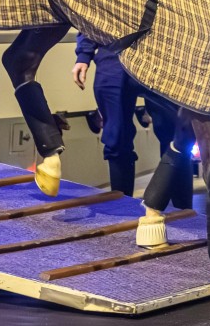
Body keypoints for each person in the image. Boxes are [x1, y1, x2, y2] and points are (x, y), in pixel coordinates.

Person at [73, 33, 189, 205]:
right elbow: (92, 12)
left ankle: (184, 213)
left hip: (159, 54)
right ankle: (122, 209)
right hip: (113, 56)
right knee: (116, 138)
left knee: (175, 136)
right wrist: (84, 55)